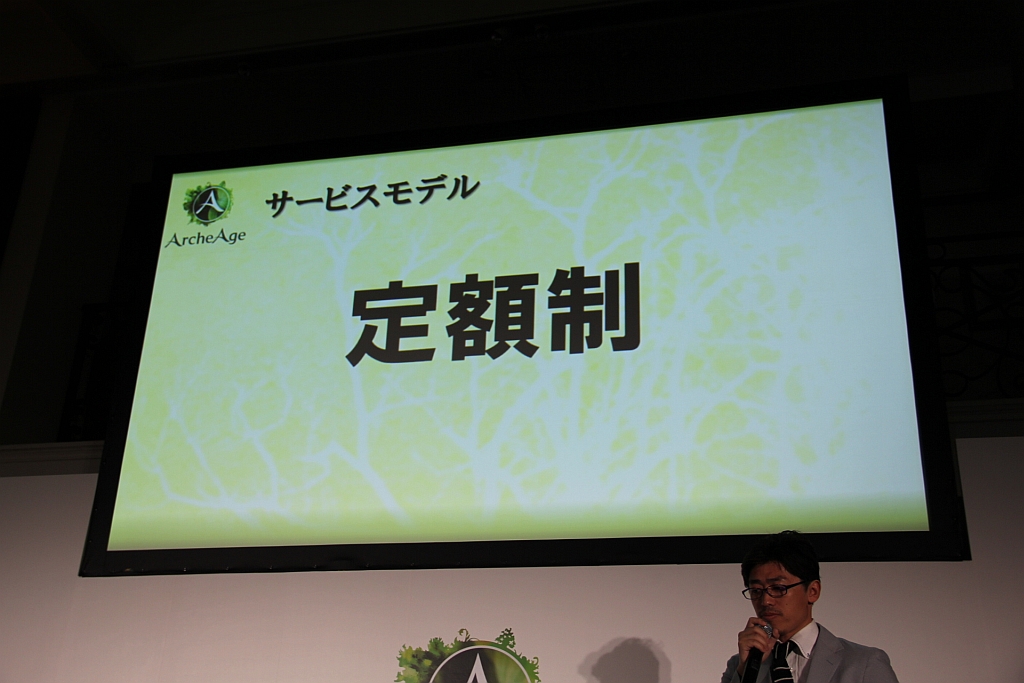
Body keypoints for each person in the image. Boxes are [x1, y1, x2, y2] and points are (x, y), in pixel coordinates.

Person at [720, 531, 899, 683]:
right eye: (756, 590)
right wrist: (746, 672)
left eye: (778, 588)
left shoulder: (865, 664)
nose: (766, 601)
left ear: (813, 591)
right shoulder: (739, 666)